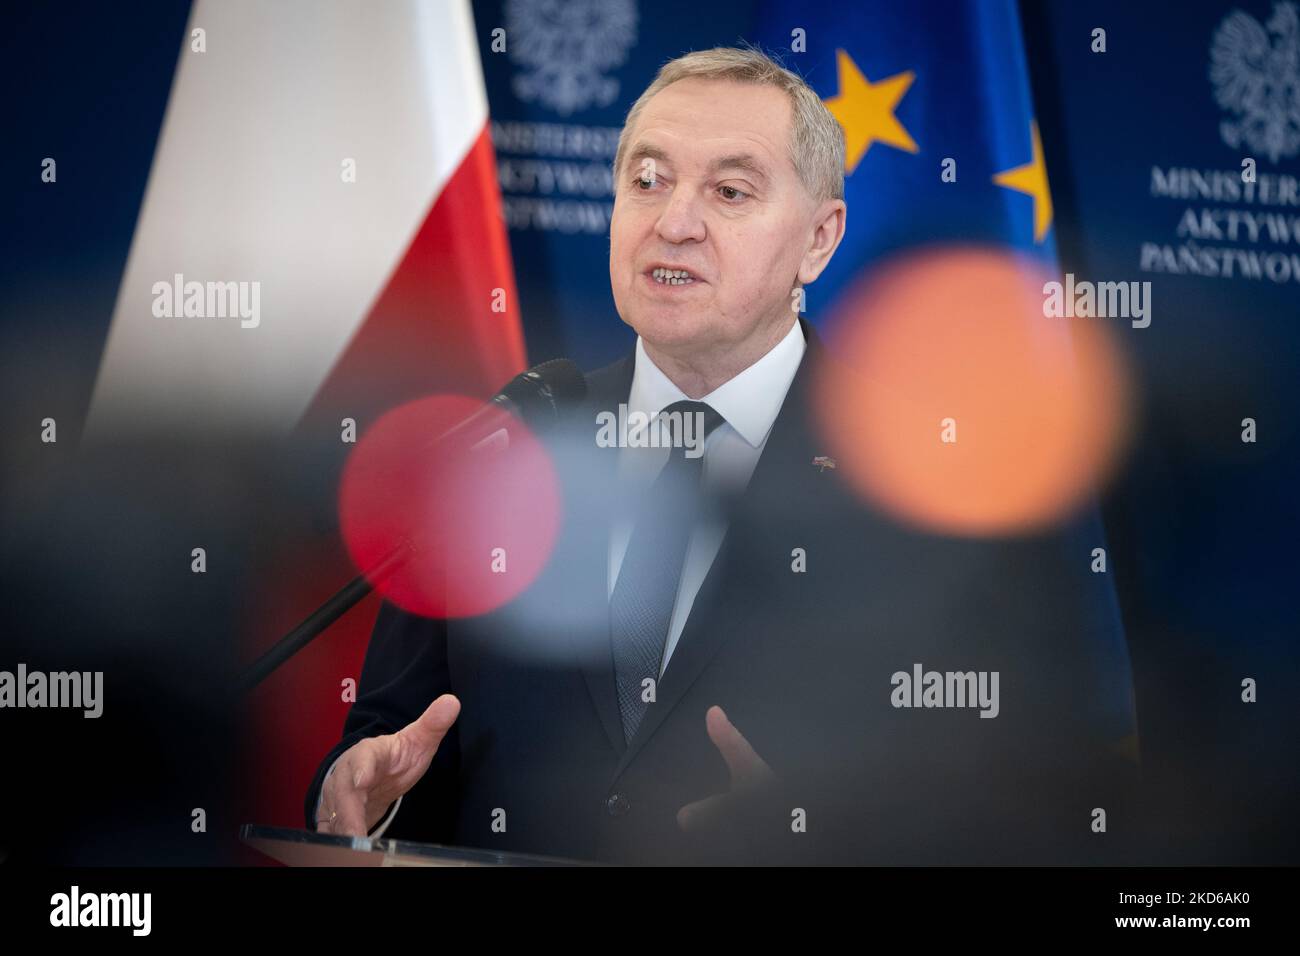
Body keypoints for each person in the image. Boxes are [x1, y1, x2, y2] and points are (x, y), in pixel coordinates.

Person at [306, 47, 1134, 865]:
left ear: (819, 239)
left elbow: (1017, 807)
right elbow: (395, 737)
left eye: (729, 192)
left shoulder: (932, 490)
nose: (674, 221)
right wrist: (365, 799)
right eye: (647, 180)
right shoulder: (506, 449)